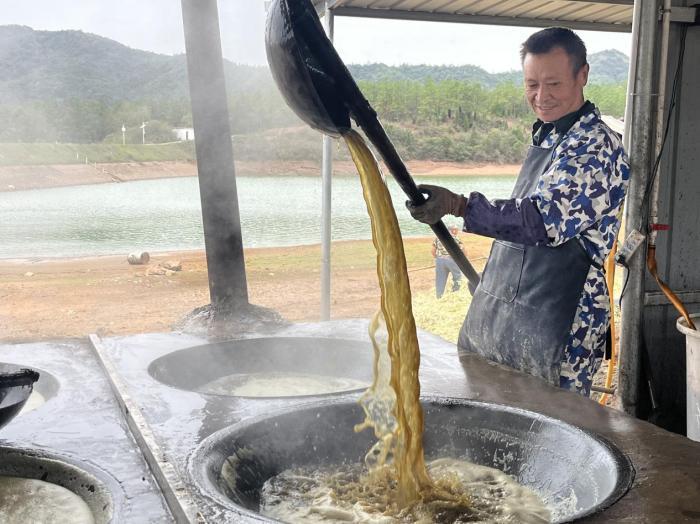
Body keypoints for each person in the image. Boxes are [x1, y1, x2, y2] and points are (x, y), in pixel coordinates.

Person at [406, 27, 629, 397]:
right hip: (516, 309)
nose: (542, 97)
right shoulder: (549, 137)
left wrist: (459, 205)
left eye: (554, 83)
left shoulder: (596, 147)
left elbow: (540, 220)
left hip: (563, 319)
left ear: (583, 75)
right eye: (532, 85)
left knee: (558, 430)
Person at [432, 226, 465, 298]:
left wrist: (439, 258)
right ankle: (455, 294)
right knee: (457, 277)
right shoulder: (456, 238)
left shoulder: (438, 238)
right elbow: (462, 251)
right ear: (453, 230)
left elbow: (433, 251)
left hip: (440, 260)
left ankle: (439, 296)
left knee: (440, 279)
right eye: (456, 230)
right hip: (452, 260)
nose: (457, 231)